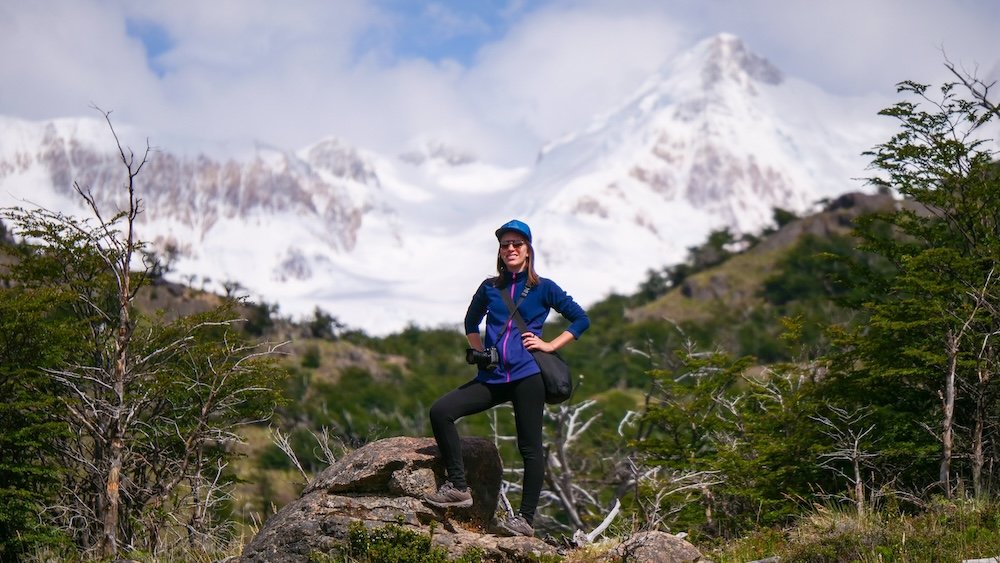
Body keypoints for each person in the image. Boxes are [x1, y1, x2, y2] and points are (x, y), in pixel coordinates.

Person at [425, 219, 590, 537]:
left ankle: (525, 521)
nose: (511, 249)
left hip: (529, 376)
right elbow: (471, 322)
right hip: (493, 377)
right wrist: (482, 354)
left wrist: (548, 345)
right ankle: (459, 487)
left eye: (517, 244)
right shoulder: (490, 287)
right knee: (441, 411)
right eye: (505, 245)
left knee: (530, 448)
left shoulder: (544, 288)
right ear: (500, 253)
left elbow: (581, 319)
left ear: (528, 250)